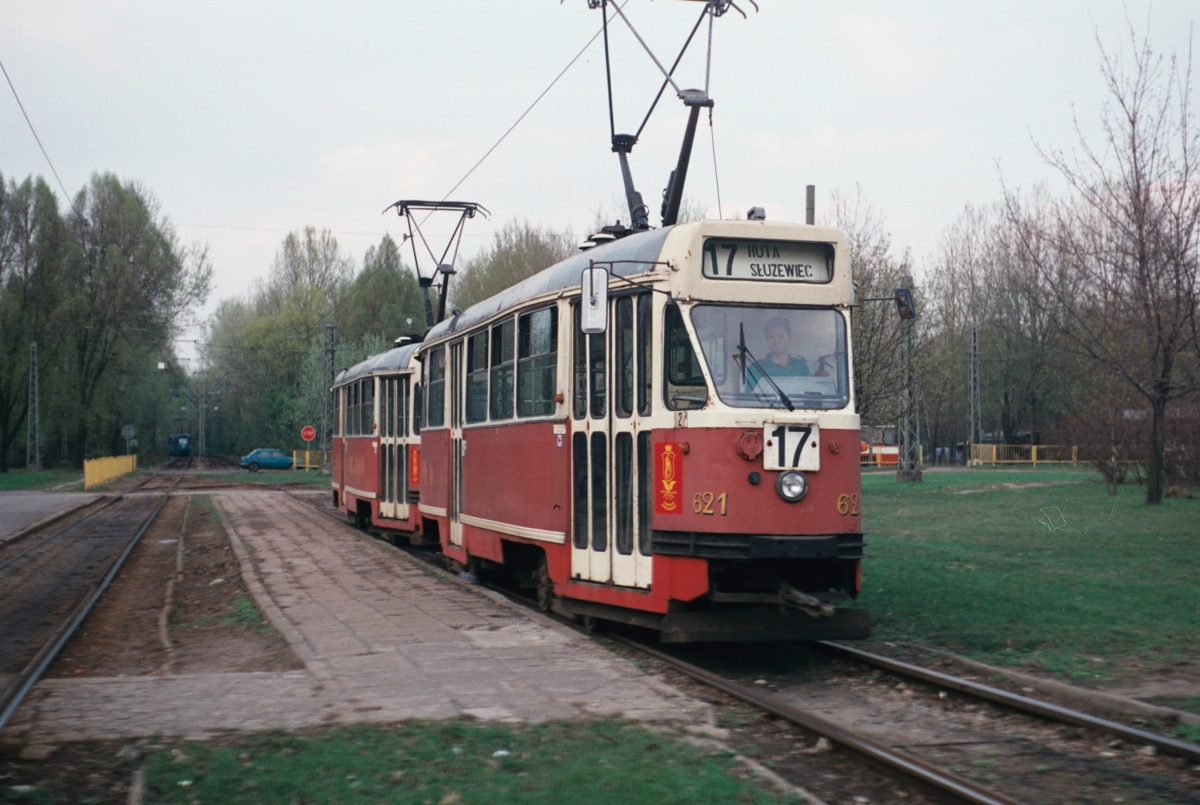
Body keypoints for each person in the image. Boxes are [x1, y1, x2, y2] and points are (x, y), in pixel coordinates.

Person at [748, 316, 809, 389]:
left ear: (789, 338)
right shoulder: (756, 368)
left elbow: (808, 396)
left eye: (781, 336)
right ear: (766, 339)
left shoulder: (801, 367)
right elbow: (752, 398)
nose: (776, 342)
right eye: (771, 337)